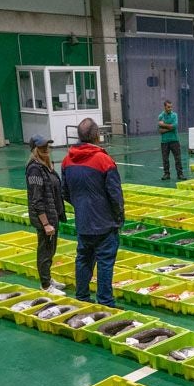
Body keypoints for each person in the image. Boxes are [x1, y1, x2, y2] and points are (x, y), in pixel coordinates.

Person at [62, 118, 124, 307]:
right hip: (104, 223)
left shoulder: (67, 160)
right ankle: (105, 302)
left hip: (83, 222)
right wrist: (118, 218)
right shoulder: (103, 160)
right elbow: (115, 195)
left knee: (83, 259)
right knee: (105, 262)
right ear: (97, 136)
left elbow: (65, 191)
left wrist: (81, 207)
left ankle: (81, 297)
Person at [25, 135, 66, 295]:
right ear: (35, 150)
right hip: (45, 218)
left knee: (51, 250)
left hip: (52, 214)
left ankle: (48, 278)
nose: (46, 150)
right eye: (42, 148)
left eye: (47, 147)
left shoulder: (46, 166)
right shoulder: (34, 169)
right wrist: (45, 223)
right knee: (45, 251)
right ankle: (45, 285)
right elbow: (37, 200)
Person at [157, 100, 184, 181]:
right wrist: (170, 127)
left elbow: (174, 126)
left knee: (177, 158)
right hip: (164, 142)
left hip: (174, 140)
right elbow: (160, 130)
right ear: (165, 107)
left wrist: (164, 126)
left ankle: (180, 174)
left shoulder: (174, 115)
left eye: (171, 107)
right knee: (165, 159)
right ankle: (166, 174)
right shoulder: (161, 116)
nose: (170, 108)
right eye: (168, 107)